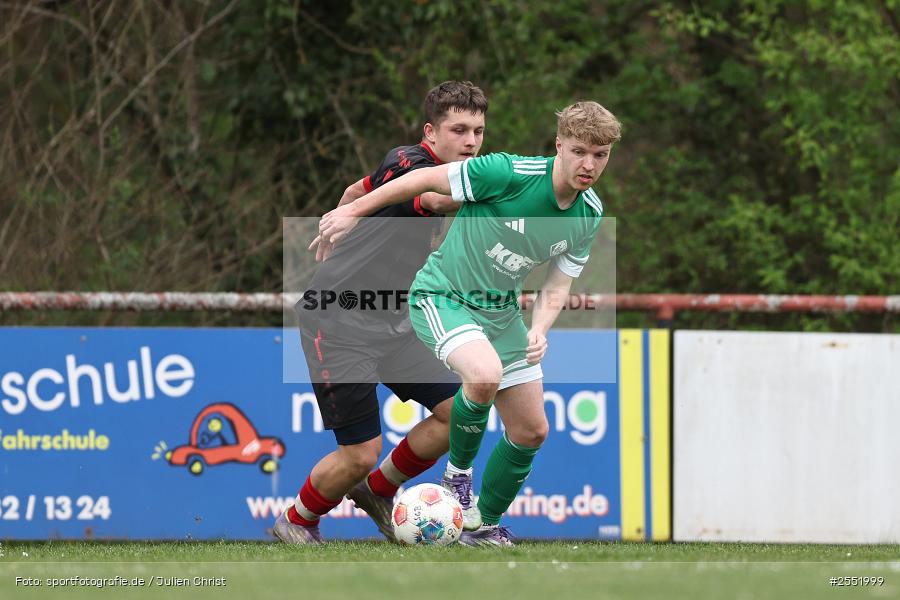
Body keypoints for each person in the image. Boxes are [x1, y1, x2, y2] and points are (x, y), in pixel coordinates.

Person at [319, 101, 621, 546]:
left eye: (600, 155)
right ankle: (456, 481)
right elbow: (422, 179)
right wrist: (354, 210)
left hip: (501, 314)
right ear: (559, 145)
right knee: (483, 374)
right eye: (579, 152)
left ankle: (483, 526)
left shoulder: (588, 213)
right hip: (444, 297)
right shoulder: (507, 172)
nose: (589, 165)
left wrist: (539, 329)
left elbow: (559, 283)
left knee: (532, 429)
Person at [274, 81, 488, 544]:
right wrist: (503, 192)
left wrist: (341, 220)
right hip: (338, 320)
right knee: (360, 452)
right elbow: (435, 199)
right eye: (459, 130)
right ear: (430, 132)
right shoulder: (412, 164)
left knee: (459, 414)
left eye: (478, 131)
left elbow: (357, 188)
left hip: (394, 319)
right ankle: (297, 519)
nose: (471, 141)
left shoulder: (419, 167)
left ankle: (377, 491)